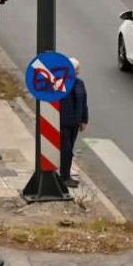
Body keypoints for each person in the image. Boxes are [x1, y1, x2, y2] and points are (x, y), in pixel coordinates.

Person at [58, 58, 89, 188]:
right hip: (64, 122)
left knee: (70, 149)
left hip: (75, 123)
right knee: (66, 150)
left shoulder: (80, 83)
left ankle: (66, 174)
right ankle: (64, 177)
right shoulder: (61, 84)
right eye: (77, 69)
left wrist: (84, 120)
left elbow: (83, 103)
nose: (78, 71)